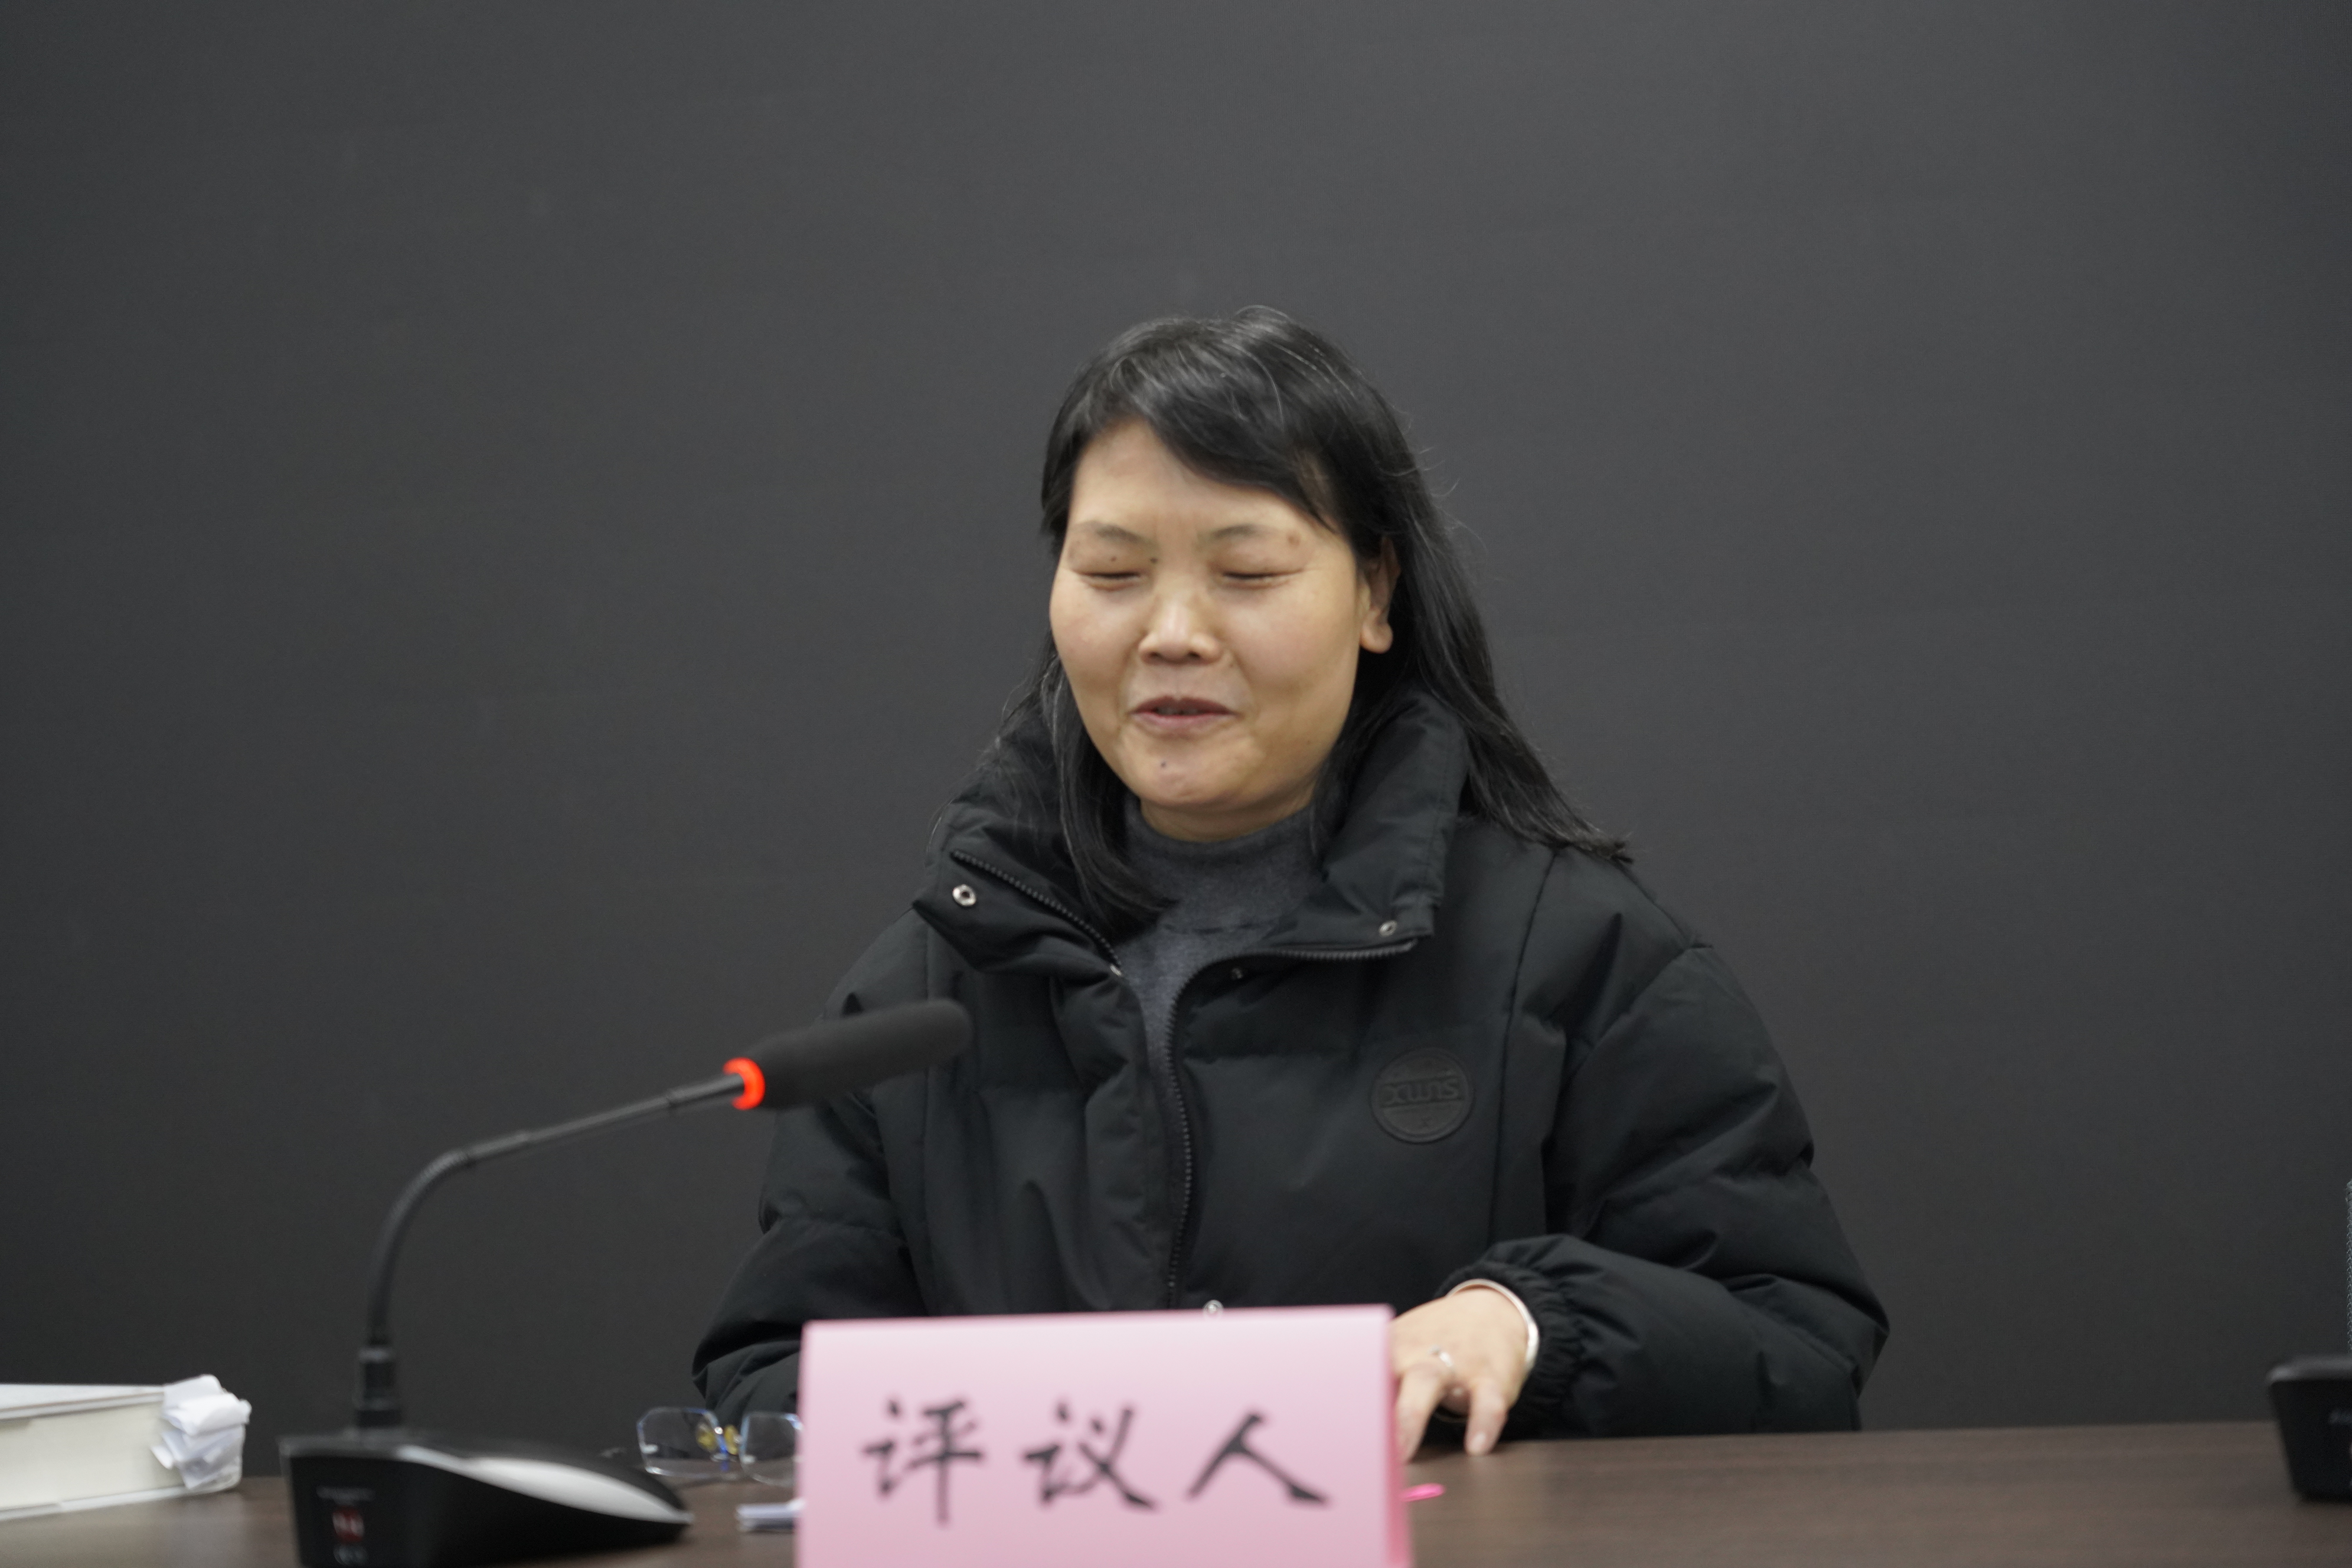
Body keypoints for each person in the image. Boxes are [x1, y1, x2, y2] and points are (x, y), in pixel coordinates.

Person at [695, 308, 1886, 1459]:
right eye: (1111, 571)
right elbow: (773, 1383)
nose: (1172, 632)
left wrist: (1533, 1323)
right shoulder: (926, 992)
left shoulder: (1578, 957)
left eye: (1247, 572)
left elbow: (1796, 1347)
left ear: (1376, 593)